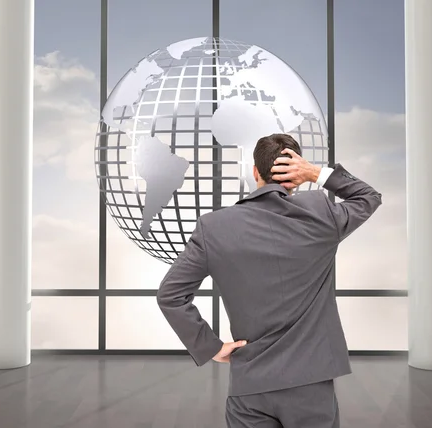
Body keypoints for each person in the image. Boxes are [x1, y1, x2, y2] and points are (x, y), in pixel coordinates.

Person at [157, 133, 382, 427]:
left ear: (255, 172)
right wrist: (316, 172)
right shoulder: (322, 214)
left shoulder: (214, 228)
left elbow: (170, 296)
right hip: (311, 383)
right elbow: (369, 197)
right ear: (297, 174)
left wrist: (211, 347)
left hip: (250, 385)